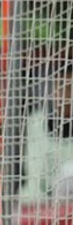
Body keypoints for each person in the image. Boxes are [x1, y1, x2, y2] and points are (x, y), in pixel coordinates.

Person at [21, 61, 73, 202]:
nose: (66, 94)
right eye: (60, 87)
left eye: (70, 88)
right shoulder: (36, 122)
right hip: (37, 201)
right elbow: (34, 173)